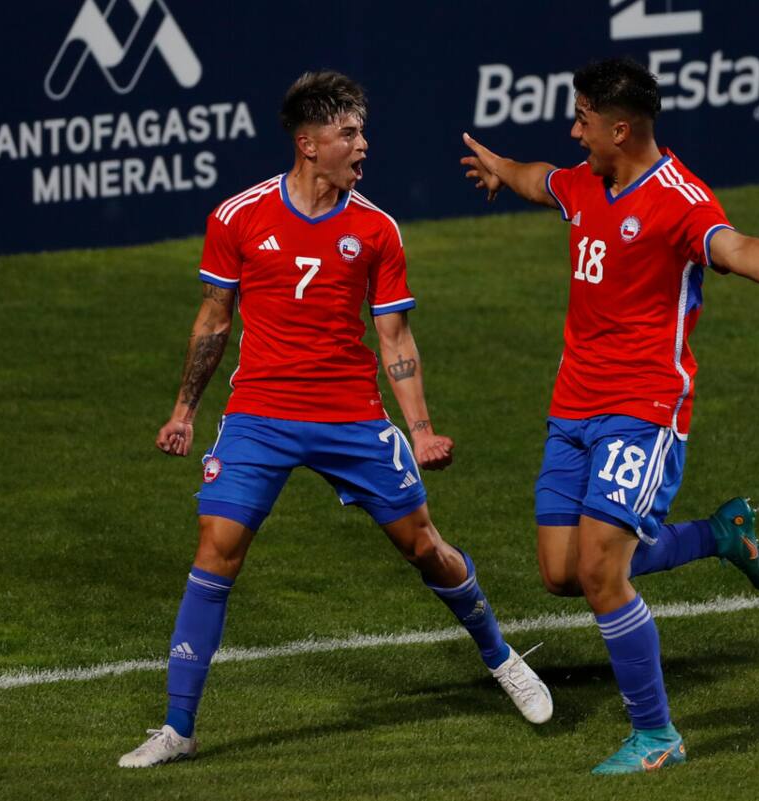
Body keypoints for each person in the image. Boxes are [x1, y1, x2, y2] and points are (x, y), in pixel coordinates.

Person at [119, 70, 552, 769]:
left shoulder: (376, 229)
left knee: (424, 547)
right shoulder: (237, 217)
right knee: (215, 549)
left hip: (351, 417)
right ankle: (178, 727)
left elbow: (395, 338)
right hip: (259, 413)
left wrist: (421, 432)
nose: (362, 144)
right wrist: (183, 411)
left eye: (362, 131)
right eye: (348, 133)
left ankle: (501, 657)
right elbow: (214, 321)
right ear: (308, 143)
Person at [460, 57, 759, 775]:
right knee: (562, 571)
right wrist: (501, 169)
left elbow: (733, 246)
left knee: (602, 570)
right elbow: (540, 179)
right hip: (572, 407)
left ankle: (657, 735)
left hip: (643, 410)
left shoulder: (677, 197)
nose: (573, 131)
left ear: (620, 128)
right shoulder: (587, 183)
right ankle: (719, 534)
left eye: (582, 119)